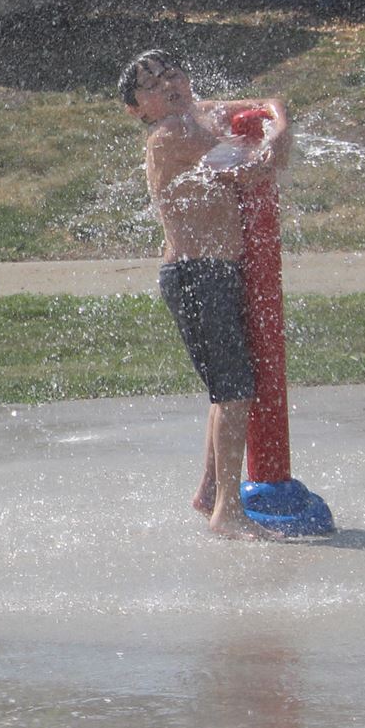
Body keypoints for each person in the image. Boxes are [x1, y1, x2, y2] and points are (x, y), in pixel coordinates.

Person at [120, 49, 292, 541]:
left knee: (230, 386)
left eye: (171, 71)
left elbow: (272, 101)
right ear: (138, 110)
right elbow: (252, 168)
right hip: (196, 274)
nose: (166, 82)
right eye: (151, 83)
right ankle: (227, 511)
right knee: (234, 391)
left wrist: (276, 126)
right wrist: (271, 142)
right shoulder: (170, 136)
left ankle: (209, 492)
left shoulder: (205, 115)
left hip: (217, 270)